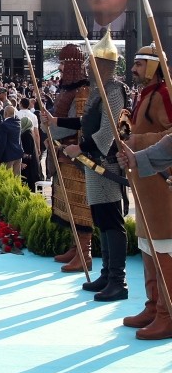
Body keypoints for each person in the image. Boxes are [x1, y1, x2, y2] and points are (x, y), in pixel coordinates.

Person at [44, 30, 129, 302]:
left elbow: (107, 132)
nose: (86, 68)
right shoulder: (97, 92)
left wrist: (79, 148)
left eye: (91, 64)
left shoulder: (113, 90)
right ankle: (106, 274)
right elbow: (84, 123)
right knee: (102, 222)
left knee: (112, 222)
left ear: (103, 65)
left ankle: (118, 280)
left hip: (106, 164)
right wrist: (56, 122)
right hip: (93, 164)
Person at [118, 44, 172, 339]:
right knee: (148, 244)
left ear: (152, 67)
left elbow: (170, 134)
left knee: (163, 244)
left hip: (162, 182)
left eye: (139, 64)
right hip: (144, 179)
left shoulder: (165, 94)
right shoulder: (144, 94)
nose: (134, 69)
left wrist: (137, 143)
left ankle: (167, 312)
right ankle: (153, 306)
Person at [47, 44, 93, 273]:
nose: (61, 67)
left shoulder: (82, 91)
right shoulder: (67, 90)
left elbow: (80, 125)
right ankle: (76, 248)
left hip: (76, 157)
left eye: (64, 63)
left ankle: (85, 254)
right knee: (69, 206)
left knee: (80, 207)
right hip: (63, 154)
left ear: (74, 65)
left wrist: (53, 128)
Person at [0, 105, 23, 175]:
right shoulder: (18, 122)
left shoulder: (4, 125)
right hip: (18, 154)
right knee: (16, 178)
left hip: (8, 156)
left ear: (5, 113)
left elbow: (2, 143)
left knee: (7, 178)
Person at [20, 117, 43, 192]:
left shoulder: (26, 135)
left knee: (29, 186)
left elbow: (28, 152)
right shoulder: (28, 132)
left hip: (28, 166)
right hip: (31, 164)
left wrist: (23, 163)